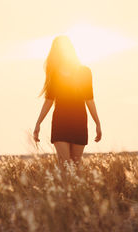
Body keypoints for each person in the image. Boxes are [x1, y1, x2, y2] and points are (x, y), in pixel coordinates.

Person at [33, 35, 102, 165]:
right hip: (60, 123)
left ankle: (74, 186)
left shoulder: (85, 72)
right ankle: (65, 185)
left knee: (75, 166)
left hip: (79, 123)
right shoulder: (54, 74)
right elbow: (49, 100)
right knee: (65, 165)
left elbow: (89, 100)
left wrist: (97, 123)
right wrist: (38, 123)